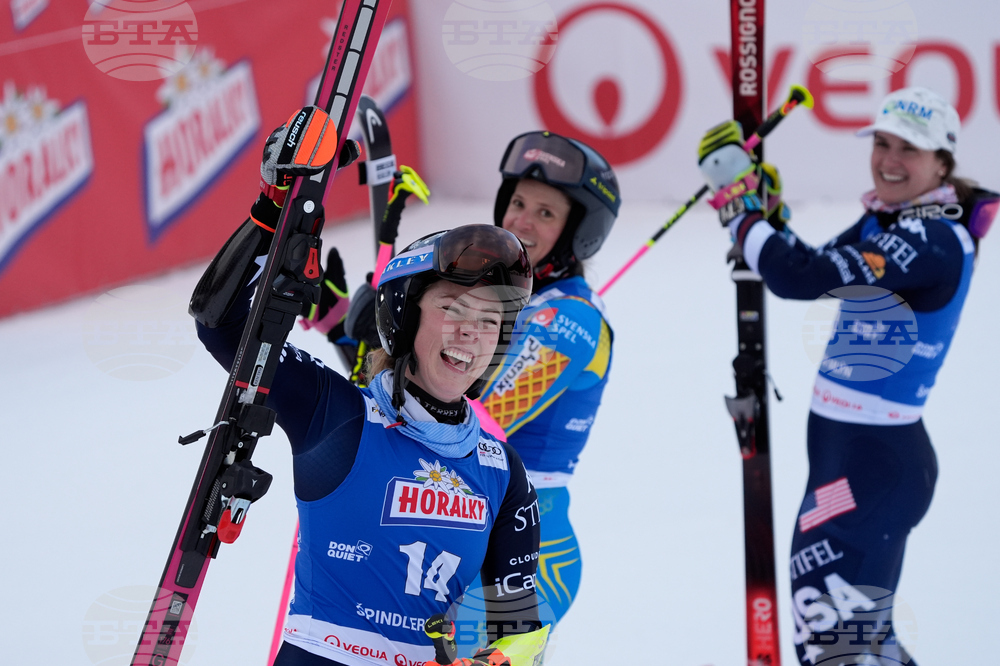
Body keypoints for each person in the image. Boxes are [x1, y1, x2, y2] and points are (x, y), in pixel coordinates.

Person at [190, 106, 549, 666]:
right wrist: (273, 211)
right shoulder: (336, 413)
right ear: (406, 319)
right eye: (452, 309)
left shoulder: (501, 468)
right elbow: (224, 324)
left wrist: (495, 661)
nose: (470, 336)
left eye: (489, 322)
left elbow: (522, 627)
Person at [697, 86, 997, 665]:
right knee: (861, 647)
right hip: (854, 466)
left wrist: (740, 207)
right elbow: (807, 265)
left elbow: (797, 279)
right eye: (881, 143)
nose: (888, 159)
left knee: (835, 650)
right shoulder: (897, 219)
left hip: (872, 472)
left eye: (907, 149)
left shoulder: (929, 238)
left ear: (941, 162)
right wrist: (766, 219)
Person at [315, 131, 621, 637]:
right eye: (518, 202)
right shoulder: (500, 303)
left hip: (525, 557)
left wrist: (386, 335)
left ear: (578, 233)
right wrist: (355, 329)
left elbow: (479, 415)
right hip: (453, 530)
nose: (521, 221)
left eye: (546, 213)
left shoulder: (571, 322)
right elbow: (417, 396)